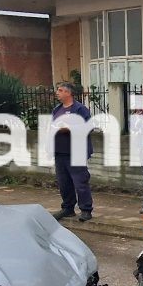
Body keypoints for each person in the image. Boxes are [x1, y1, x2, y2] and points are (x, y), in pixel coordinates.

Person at [50, 82, 93, 222]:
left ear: (68, 93)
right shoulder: (57, 110)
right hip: (60, 152)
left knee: (80, 182)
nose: (57, 92)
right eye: (58, 90)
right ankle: (68, 208)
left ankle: (86, 210)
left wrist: (69, 129)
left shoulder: (79, 109)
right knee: (64, 183)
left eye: (60, 90)